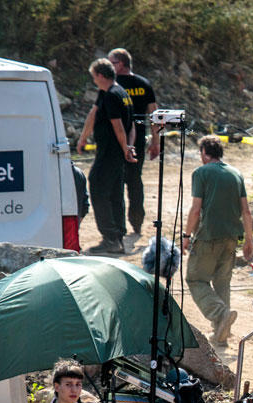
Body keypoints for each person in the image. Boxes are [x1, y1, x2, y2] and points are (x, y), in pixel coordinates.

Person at [181, 135, 253, 346]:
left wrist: (186, 236)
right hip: (231, 238)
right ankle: (222, 332)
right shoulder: (235, 173)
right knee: (222, 283)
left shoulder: (201, 173)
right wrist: (249, 242)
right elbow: (246, 211)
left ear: (204, 152)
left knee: (195, 279)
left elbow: (195, 210)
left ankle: (220, 315)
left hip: (207, 236)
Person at [76, 58, 135, 255]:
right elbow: (131, 125)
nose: (94, 81)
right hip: (116, 153)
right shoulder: (119, 93)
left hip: (110, 152)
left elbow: (119, 126)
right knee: (115, 193)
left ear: (101, 76)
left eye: (94, 77)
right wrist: (128, 146)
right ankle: (117, 236)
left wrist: (125, 147)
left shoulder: (111, 96)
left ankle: (110, 238)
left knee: (98, 187)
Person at [108, 48, 159, 236]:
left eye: (110, 62)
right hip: (137, 141)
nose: (108, 66)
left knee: (116, 182)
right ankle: (137, 222)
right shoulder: (143, 84)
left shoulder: (113, 85)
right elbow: (154, 115)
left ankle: (118, 225)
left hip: (116, 142)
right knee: (135, 180)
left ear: (120, 64)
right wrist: (156, 141)